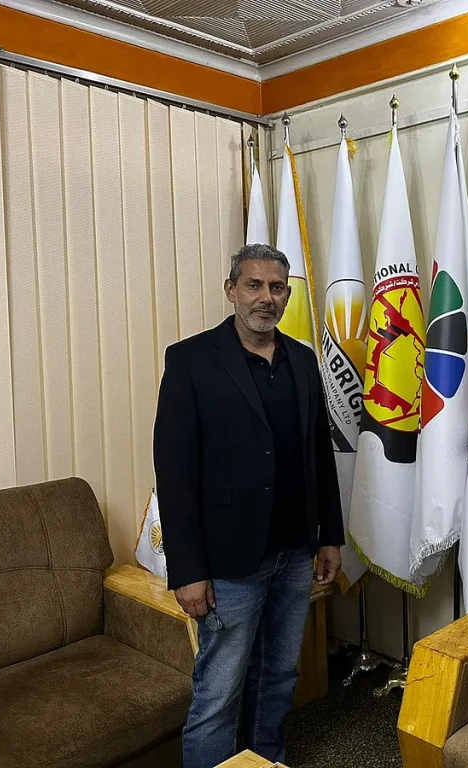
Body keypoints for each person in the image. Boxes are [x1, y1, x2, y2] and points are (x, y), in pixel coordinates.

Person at [153, 243, 344, 768]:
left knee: (279, 675)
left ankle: (265, 760)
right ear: (231, 290)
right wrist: (187, 570)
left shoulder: (302, 360)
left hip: (295, 551)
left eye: (277, 287)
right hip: (229, 561)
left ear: (287, 295)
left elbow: (318, 455)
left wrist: (329, 535)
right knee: (218, 693)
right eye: (254, 285)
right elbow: (174, 474)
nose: (266, 297)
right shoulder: (190, 361)